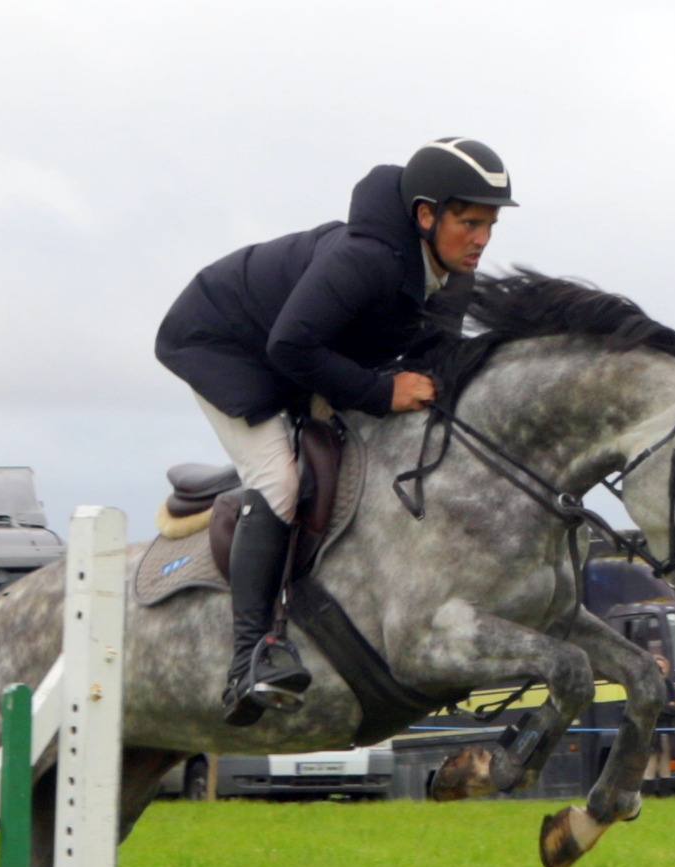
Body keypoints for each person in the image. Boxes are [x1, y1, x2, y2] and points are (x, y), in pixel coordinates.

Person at [155, 138, 515, 725]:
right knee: (279, 481)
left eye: (490, 225)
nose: (482, 239)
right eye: (469, 223)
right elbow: (290, 348)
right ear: (426, 216)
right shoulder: (366, 260)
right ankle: (249, 659)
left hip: (302, 347)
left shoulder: (453, 277)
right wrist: (380, 393)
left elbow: (433, 363)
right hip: (222, 340)